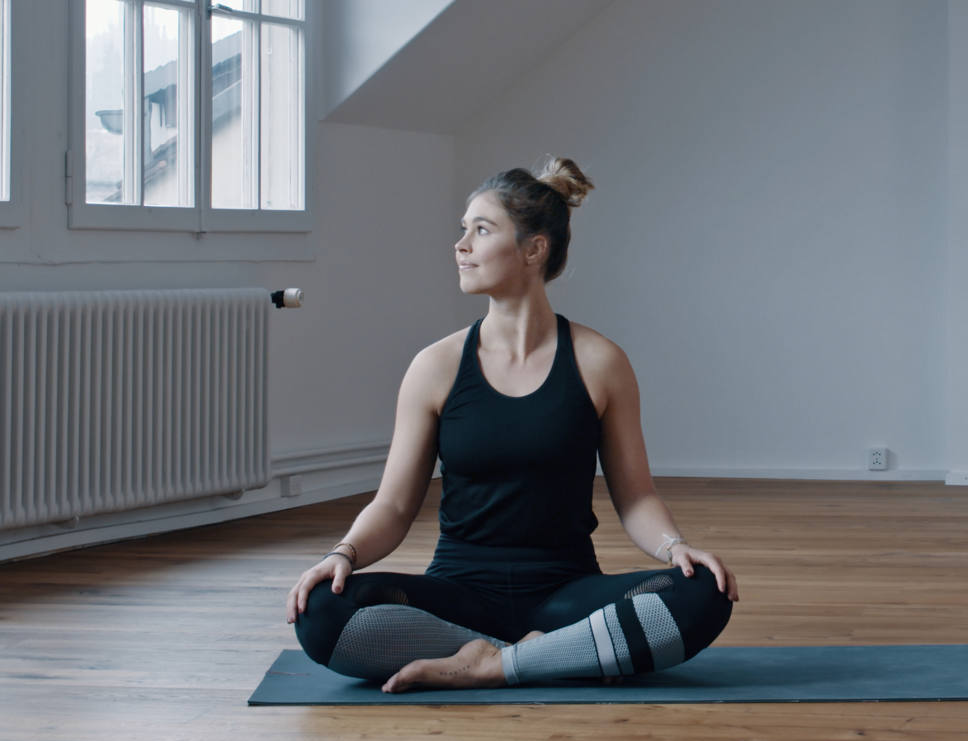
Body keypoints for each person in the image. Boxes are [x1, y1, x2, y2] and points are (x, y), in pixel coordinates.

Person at [285, 156, 737, 693]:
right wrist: (342, 555)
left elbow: (635, 497)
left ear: (533, 249)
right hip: (457, 596)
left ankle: (493, 665)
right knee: (319, 612)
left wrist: (675, 548)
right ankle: (549, 657)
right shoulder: (436, 366)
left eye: (481, 230)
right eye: (463, 231)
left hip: (566, 595)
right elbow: (394, 505)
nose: (461, 245)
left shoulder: (600, 362)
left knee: (704, 591)